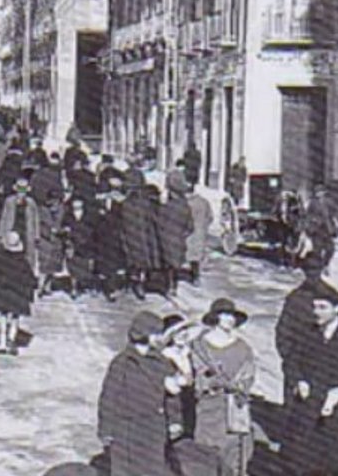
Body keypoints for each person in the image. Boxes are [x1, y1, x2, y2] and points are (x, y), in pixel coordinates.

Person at [98, 310, 178, 476]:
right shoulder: (122, 362)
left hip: (154, 428)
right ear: (142, 334)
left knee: (152, 471)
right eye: (155, 333)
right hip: (126, 429)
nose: (159, 338)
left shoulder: (162, 362)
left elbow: (171, 396)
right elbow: (108, 397)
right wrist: (106, 430)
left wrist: (175, 421)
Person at [280, 281, 338, 475]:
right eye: (314, 307)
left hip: (336, 412)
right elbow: (290, 362)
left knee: (332, 462)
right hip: (305, 406)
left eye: (323, 307)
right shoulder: (307, 332)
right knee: (298, 460)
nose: (317, 312)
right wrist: (298, 380)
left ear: (337, 309)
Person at [274, 256, 338, 435]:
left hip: (330, 372)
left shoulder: (332, 297)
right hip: (301, 362)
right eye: (308, 271)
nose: (312, 275)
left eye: (315, 270)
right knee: (294, 416)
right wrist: (291, 361)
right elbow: (283, 332)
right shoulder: (295, 298)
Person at [190, 298, 255, 475]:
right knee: (206, 454)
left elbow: (248, 376)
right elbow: (197, 377)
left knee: (232, 455)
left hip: (234, 409)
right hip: (209, 408)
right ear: (215, 318)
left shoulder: (243, 347)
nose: (229, 319)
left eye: (232, 316)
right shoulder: (200, 346)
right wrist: (211, 384)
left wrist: (238, 387)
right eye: (224, 315)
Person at [0, 229, 37, 354]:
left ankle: (2, 343)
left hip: (2, 293)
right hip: (18, 294)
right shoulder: (22, 261)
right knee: (15, 318)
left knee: (2, 318)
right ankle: (11, 340)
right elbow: (30, 278)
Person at [121, 170, 160, 300]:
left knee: (132, 260)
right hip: (144, 237)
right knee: (141, 262)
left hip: (131, 237)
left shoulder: (126, 203)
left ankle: (134, 283)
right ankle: (139, 282)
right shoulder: (147, 203)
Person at [159, 171, 194, 297]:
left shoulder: (165, 207)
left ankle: (167, 286)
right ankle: (173, 286)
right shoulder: (185, 207)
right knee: (174, 265)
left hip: (164, 240)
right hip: (178, 240)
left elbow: (159, 223)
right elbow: (190, 227)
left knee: (167, 265)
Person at [185, 186, 213, 286]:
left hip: (187, 234)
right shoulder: (204, 201)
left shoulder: (185, 203)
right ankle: (196, 277)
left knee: (186, 255)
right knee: (196, 258)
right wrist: (204, 226)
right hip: (200, 233)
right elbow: (210, 217)